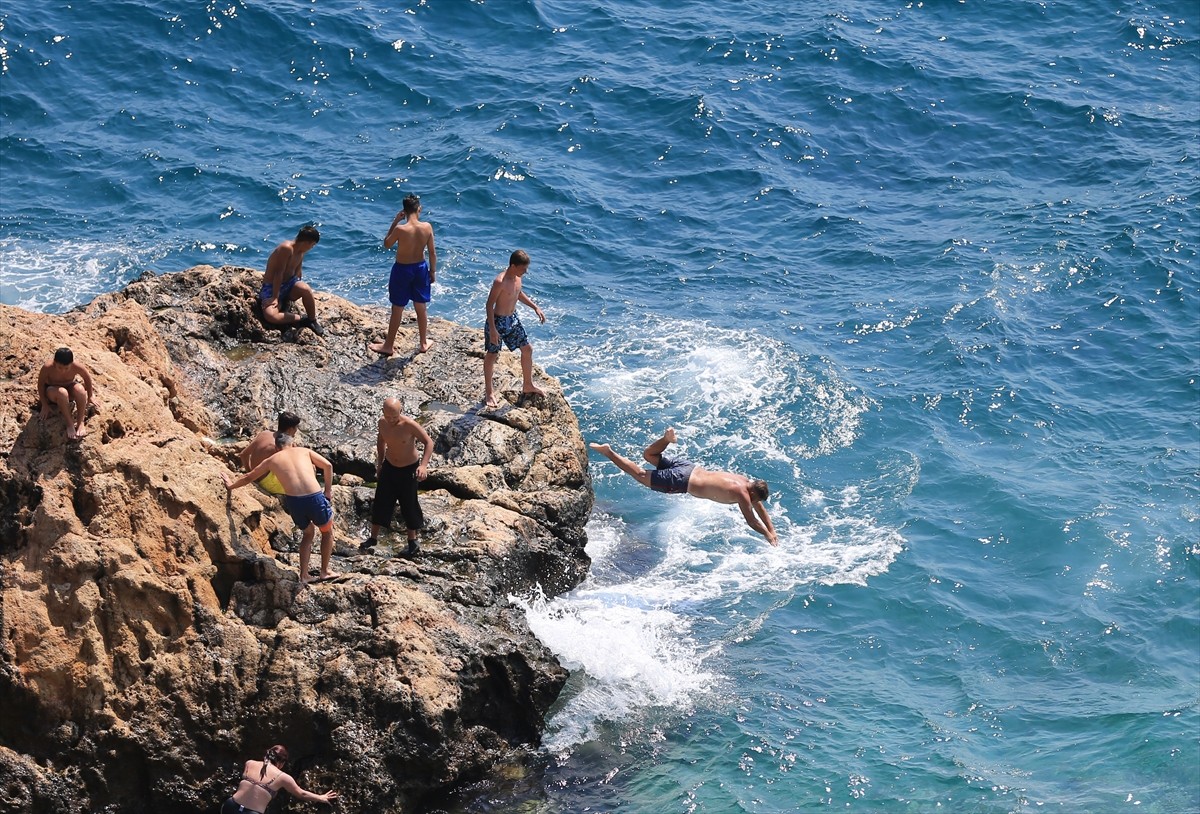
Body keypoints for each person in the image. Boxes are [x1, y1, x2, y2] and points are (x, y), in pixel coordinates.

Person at [589, 427, 779, 546]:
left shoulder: (743, 480)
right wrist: (767, 536)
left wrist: (772, 529)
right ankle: (609, 452)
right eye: (754, 498)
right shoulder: (742, 493)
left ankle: (666, 439)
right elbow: (752, 520)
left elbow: (759, 507)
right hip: (683, 480)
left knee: (649, 455)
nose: (753, 502)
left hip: (688, 467)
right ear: (752, 492)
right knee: (640, 474)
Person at [222, 432, 339, 584]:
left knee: (308, 533)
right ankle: (324, 572)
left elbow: (249, 477)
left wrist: (230, 485)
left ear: (277, 448)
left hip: (293, 501)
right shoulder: (304, 451)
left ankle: (304, 575)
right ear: (293, 444)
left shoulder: (272, 459)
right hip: (313, 497)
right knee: (327, 530)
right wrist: (328, 491)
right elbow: (328, 466)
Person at [362, 397, 433, 556]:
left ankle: (412, 541)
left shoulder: (409, 425)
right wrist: (380, 464)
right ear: (383, 413)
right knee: (381, 500)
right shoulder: (382, 422)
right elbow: (381, 442)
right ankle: (373, 538)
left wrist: (423, 465)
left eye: (395, 417)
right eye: (388, 417)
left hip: (409, 469)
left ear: (400, 412)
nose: (391, 420)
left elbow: (429, 442)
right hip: (389, 466)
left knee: (409, 503)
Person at [368, 193, 437, 356]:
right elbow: (432, 253)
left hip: (402, 269)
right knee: (421, 306)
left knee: (398, 308)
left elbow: (386, 244)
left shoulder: (400, 229)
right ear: (419, 209)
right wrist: (432, 271)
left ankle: (388, 346)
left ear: (404, 211)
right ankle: (423, 343)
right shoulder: (427, 227)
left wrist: (395, 221)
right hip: (421, 268)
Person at [483, 249, 546, 410]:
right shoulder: (500, 281)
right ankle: (489, 393)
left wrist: (535, 307)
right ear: (513, 265)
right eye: (523, 268)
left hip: (513, 320)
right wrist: (493, 330)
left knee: (527, 349)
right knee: (492, 355)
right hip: (497, 322)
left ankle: (528, 385)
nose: (525, 271)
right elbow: (489, 305)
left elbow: (517, 293)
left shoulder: (517, 278)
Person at [221, 744, 337, 814]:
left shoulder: (249, 763)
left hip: (230, 806)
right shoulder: (282, 777)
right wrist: (321, 797)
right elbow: (302, 794)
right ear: (281, 763)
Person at [260, 225, 325, 336]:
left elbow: (297, 271)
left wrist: (299, 277)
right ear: (307, 242)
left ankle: (312, 320)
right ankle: (301, 319)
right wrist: (275, 297)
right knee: (271, 316)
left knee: (306, 289)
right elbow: (278, 273)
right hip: (272, 288)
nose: (312, 248)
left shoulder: (301, 251)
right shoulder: (286, 248)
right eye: (312, 245)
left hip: (288, 286)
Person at [36, 347, 94, 440]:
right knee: (62, 393)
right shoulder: (47, 367)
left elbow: (87, 377)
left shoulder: (76, 366)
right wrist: (44, 404)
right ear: (54, 362)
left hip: (69, 387)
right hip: (53, 392)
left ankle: (80, 422)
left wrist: (90, 395)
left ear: (71, 363)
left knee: (81, 390)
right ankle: (70, 424)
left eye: (66, 368)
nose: (63, 370)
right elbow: (40, 385)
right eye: (60, 367)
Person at [239, 411, 302, 496]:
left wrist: (250, 472)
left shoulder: (264, 434)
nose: (296, 430)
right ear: (290, 429)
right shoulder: (282, 445)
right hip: (266, 482)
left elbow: (243, 454)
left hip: (257, 474)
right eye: (296, 427)